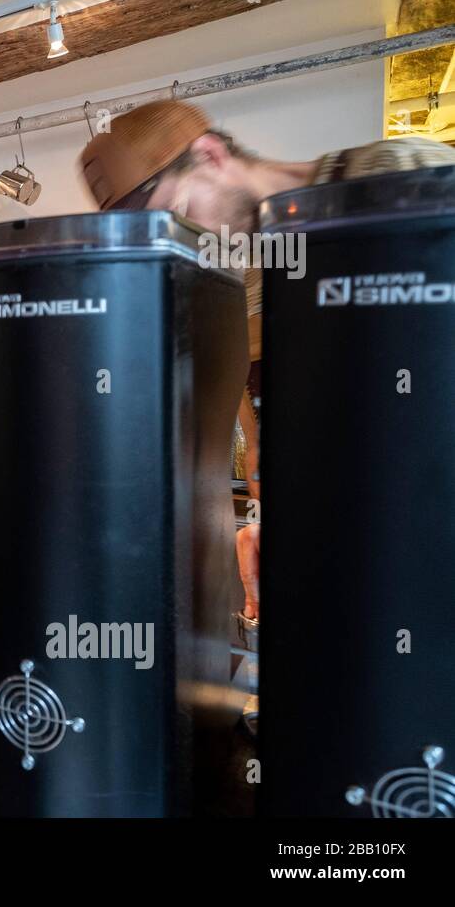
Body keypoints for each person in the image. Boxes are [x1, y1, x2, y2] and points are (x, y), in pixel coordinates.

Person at [78, 99, 455, 620]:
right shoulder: (238, 284)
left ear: (209, 155)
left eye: (181, 214)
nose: (187, 244)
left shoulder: (400, 173)